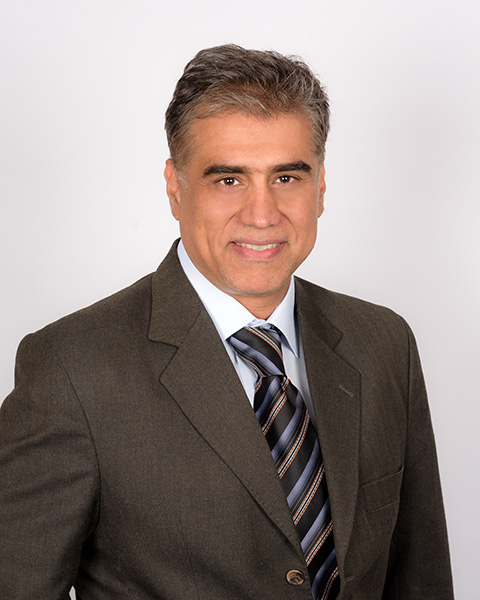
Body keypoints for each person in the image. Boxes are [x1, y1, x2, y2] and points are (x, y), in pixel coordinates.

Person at [0, 45, 454, 600]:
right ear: (174, 186)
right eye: (229, 180)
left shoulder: (384, 343)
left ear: (321, 186)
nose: (262, 214)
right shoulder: (72, 368)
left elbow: (421, 579)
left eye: (287, 177)